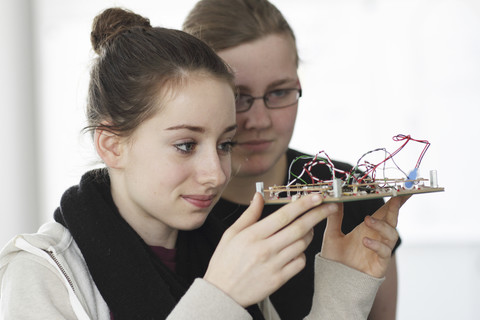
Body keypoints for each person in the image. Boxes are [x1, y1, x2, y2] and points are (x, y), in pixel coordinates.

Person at [0, 7, 402, 320]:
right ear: (111, 145)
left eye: (226, 143)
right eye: (186, 145)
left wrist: (341, 290)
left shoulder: (224, 251)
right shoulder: (42, 275)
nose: (216, 173)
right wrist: (219, 298)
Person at [183, 0, 401, 319]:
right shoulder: (170, 212)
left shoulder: (352, 193)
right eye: (237, 97)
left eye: (279, 92)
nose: (259, 120)